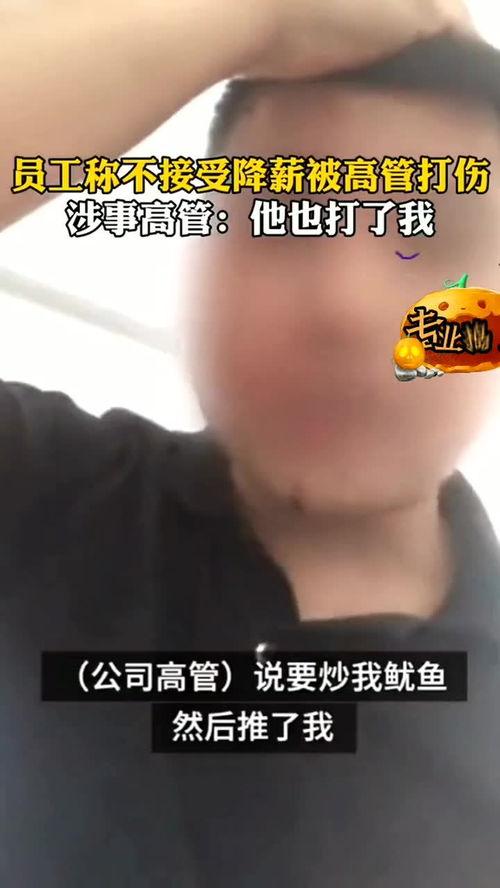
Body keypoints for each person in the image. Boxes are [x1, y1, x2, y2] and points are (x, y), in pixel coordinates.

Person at [1, 1, 500, 886]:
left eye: (432, 239)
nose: (344, 308)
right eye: (282, 221)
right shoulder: (36, 488)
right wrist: (255, 15)